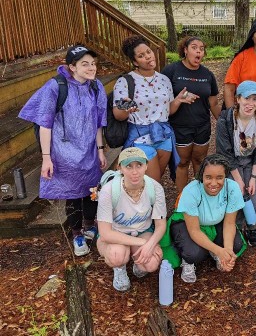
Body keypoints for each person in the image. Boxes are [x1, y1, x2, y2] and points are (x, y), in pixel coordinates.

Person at [19, 45, 107, 256]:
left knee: (92, 191)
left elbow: (97, 122)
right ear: (72, 67)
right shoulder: (56, 87)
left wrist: (101, 150)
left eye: (93, 63)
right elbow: (45, 123)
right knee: (73, 194)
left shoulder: (96, 87)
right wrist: (46, 158)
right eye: (84, 64)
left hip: (89, 151)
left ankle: (90, 226)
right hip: (64, 153)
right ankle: (77, 234)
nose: (91, 68)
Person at [163, 154, 247, 283]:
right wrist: (220, 250)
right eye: (208, 177)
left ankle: (214, 251)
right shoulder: (191, 191)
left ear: (226, 176)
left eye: (219, 177)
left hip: (216, 221)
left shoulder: (232, 188)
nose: (214, 183)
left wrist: (228, 252)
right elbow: (194, 231)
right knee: (194, 254)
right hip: (187, 223)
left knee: (235, 245)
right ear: (201, 175)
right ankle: (188, 259)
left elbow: (229, 223)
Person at [96, 147, 166, 291]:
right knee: (117, 255)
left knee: (151, 264)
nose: (135, 172)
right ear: (120, 168)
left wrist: (150, 244)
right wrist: (145, 244)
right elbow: (105, 233)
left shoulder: (155, 188)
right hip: (116, 233)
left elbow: (160, 225)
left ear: (146, 166)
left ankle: (137, 261)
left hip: (142, 230)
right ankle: (120, 268)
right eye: (129, 166)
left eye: (139, 165)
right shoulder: (109, 191)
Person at [113, 35, 180, 182]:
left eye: (148, 52)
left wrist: (179, 100)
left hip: (163, 137)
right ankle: (147, 205)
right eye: (141, 56)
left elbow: (168, 110)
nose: (148, 57)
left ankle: (149, 204)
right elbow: (118, 115)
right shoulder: (125, 81)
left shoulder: (164, 80)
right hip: (140, 138)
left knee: (154, 183)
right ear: (135, 62)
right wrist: (126, 108)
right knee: (152, 183)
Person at [216, 81, 256, 247]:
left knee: (253, 196)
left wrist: (253, 177)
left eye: (255, 99)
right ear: (238, 99)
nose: (250, 104)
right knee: (237, 195)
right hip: (232, 163)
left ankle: (252, 227)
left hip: (254, 162)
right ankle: (237, 226)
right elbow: (225, 152)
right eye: (247, 98)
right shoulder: (226, 120)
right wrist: (239, 181)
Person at [162, 36, 220, 193]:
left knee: (199, 161)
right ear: (185, 50)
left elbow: (213, 103)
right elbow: (161, 101)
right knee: (182, 163)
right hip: (179, 126)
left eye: (201, 49)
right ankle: (181, 200)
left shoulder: (207, 74)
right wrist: (178, 100)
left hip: (202, 125)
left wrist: (222, 123)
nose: (199, 51)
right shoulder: (171, 71)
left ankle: (199, 196)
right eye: (194, 47)